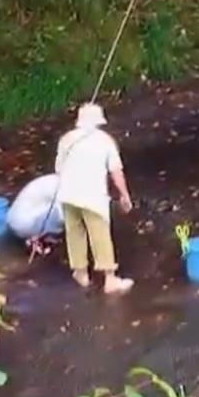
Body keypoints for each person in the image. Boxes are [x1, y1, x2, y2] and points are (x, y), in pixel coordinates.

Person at [55, 103, 134, 293]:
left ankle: (81, 273)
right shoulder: (105, 141)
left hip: (68, 194)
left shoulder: (66, 139)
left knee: (75, 233)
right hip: (93, 197)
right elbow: (116, 171)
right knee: (100, 236)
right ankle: (110, 279)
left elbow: (58, 168)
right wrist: (124, 195)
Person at [7, 174, 64, 256]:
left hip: (14, 219)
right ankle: (41, 238)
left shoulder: (49, 179)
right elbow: (62, 214)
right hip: (23, 224)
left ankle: (36, 236)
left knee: (54, 207)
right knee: (62, 211)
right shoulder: (58, 185)